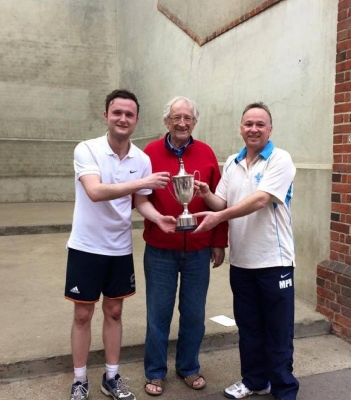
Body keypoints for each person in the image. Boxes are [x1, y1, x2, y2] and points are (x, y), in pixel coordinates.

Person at [64, 89, 175, 400]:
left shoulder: (141, 159)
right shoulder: (86, 149)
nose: (123, 118)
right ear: (106, 116)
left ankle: (111, 378)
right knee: (83, 315)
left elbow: (141, 202)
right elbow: (95, 191)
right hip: (86, 247)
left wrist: (159, 218)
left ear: (136, 120)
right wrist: (143, 183)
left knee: (114, 312)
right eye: (117, 113)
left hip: (119, 249)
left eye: (129, 114)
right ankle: (80, 379)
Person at [193, 102, 299, 400]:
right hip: (242, 263)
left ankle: (283, 389)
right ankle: (254, 381)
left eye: (260, 124)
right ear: (241, 128)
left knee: (277, 331)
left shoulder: (280, 159)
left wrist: (220, 216)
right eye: (248, 124)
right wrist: (206, 195)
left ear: (270, 129)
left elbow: (260, 199)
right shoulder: (232, 162)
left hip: (274, 262)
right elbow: (222, 203)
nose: (254, 129)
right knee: (249, 328)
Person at [134, 96, 228, 396]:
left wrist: (219, 242)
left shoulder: (206, 153)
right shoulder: (149, 153)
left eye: (188, 117)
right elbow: (141, 197)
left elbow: (220, 203)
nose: (182, 123)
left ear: (195, 122)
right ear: (166, 121)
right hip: (161, 249)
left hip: (199, 249)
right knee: (158, 313)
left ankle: (188, 367)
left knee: (194, 314)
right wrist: (158, 218)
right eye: (176, 117)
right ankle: (156, 371)